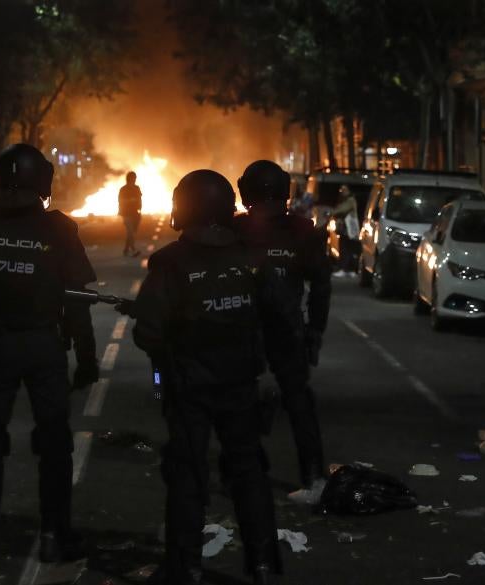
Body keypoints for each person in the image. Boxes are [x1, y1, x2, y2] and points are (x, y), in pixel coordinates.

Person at [130, 169, 306, 585]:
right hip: (242, 386)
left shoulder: (170, 262)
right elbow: (285, 317)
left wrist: (169, 353)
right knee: (248, 471)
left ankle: (185, 567)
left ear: (183, 208)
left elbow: (147, 332)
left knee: (188, 475)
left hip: (189, 390)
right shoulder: (252, 258)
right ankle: (262, 563)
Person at [0, 143, 100, 564]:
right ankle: (55, 535)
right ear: (43, 184)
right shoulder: (60, 230)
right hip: (43, 346)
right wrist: (86, 361)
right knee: (54, 443)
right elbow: (77, 301)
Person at [234, 160, 331, 496]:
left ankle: (247, 477)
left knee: (241, 406)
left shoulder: (235, 230)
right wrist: (315, 330)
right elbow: (321, 286)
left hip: (242, 332)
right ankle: (313, 474)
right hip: (288, 331)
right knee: (300, 405)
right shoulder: (304, 231)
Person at [330, 185, 360, 277]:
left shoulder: (350, 200)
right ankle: (350, 270)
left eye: (344, 189)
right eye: (341, 189)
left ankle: (344, 269)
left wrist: (331, 212)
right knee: (348, 249)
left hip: (348, 229)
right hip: (348, 229)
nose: (342, 191)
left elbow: (340, 210)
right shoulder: (348, 200)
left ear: (349, 191)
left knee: (345, 248)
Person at [118, 171, 142, 256]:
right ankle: (133, 250)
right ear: (129, 178)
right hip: (126, 214)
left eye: (135, 177)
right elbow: (120, 201)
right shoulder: (123, 189)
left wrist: (140, 209)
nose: (134, 179)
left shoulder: (137, 188)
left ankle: (126, 249)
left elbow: (140, 199)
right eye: (133, 178)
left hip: (135, 213)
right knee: (130, 231)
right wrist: (130, 201)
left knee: (131, 233)